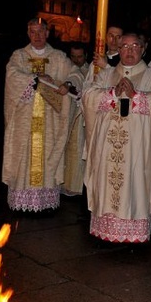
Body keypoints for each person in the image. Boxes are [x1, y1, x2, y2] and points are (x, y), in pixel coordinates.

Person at [82, 32, 151, 244]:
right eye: (124, 46)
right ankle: (106, 230)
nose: (129, 51)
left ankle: (133, 233)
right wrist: (111, 94)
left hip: (138, 149)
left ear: (143, 48)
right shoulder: (106, 74)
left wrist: (136, 96)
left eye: (135, 46)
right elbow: (88, 96)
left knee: (135, 181)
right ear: (118, 49)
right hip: (107, 146)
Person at [2, 17, 74, 213]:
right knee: (24, 158)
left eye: (41, 31)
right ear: (28, 34)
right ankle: (22, 201)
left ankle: (45, 203)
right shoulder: (19, 56)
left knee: (48, 156)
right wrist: (35, 79)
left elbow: (74, 76)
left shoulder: (59, 57)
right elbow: (12, 76)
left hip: (50, 121)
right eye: (33, 32)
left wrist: (66, 85)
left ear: (47, 33)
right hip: (24, 121)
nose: (37, 36)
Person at [62, 42, 89, 198]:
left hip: (82, 116)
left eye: (80, 56)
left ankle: (78, 186)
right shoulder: (68, 68)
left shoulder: (91, 70)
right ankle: (65, 184)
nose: (76, 60)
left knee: (79, 149)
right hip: (68, 116)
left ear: (85, 55)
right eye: (73, 56)